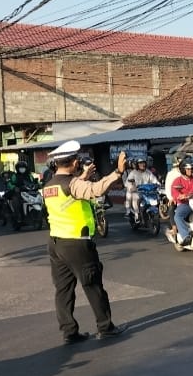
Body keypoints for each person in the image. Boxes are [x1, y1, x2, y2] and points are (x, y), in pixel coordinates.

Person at [43, 141, 128, 344]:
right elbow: (97, 189)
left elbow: (70, 194)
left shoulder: (49, 185)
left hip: (56, 243)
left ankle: (69, 332)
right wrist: (118, 171)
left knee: (63, 289)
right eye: (77, 161)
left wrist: (83, 177)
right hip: (77, 243)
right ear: (73, 162)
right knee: (93, 285)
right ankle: (105, 327)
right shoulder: (72, 184)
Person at [124, 157, 160, 223]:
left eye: (144, 163)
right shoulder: (133, 173)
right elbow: (127, 183)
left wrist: (158, 184)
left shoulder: (148, 172)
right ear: (137, 165)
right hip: (137, 192)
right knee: (136, 198)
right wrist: (132, 187)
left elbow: (154, 179)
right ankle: (137, 214)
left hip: (147, 192)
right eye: (140, 163)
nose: (142, 165)